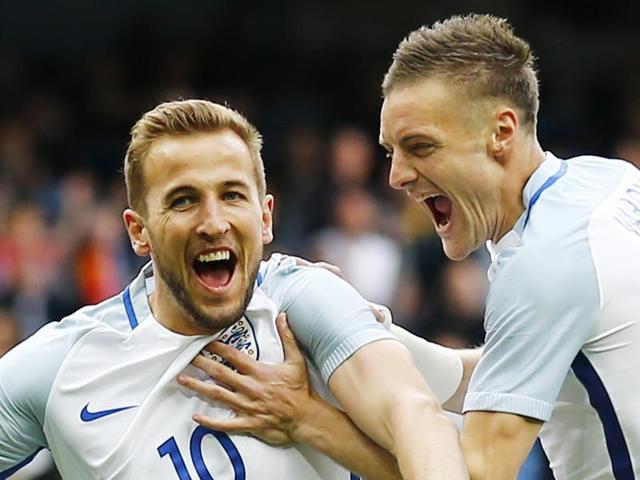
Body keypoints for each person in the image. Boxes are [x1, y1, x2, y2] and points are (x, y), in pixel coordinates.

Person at [190, 14, 640, 480]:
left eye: (420, 146)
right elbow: (517, 366)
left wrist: (306, 420)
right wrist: (367, 334)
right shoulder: (605, 181)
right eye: (391, 151)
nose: (397, 175)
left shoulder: (543, 260)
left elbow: (468, 474)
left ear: (501, 132)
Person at [0, 99, 468, 479]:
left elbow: (418, 411)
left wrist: (312, 422)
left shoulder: (300, 301)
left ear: (265, 217)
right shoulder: (63, 366)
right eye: (183, 200)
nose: (213, 222)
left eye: (231, 195)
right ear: (138, 232)